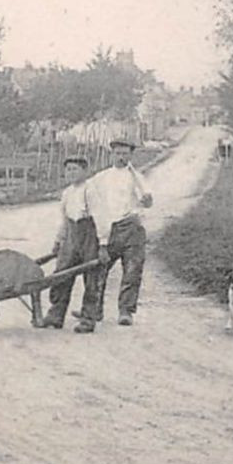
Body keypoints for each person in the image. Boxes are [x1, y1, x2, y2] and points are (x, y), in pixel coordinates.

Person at [82, 139, 154, 326]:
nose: (121, 157)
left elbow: (147, 201)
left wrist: (146, 200)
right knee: (98, 269)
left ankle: (126, 311)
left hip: (132, 227)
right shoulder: (101, 178)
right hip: (109, 228)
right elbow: (86, 196)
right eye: (118, 153)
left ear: (131, 155)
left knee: (132, 270)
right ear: (111, 154)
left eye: (125, 154)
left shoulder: (137, 177)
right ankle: (95, 310)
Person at [40, 156, 109, 331]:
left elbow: (100, 218)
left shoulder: (91, 191)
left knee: (91, 279)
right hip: (71, 235)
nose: (71, 173)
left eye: (75, 169)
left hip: (89, 235)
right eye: (68, 169)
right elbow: (64, 220)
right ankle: (56, 315)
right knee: (61, 275)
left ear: (85, 172)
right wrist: (58, 241)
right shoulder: (67, 193)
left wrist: (103, 245)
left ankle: (87, 320)